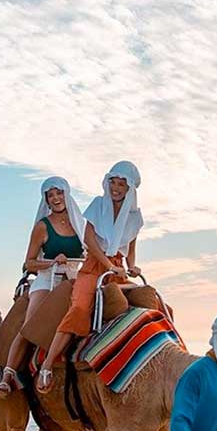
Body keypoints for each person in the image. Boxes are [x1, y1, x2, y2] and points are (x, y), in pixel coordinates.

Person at [35, 160, 143, 393]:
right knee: (79, 309)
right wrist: (108, 265)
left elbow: (130, 249)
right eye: (112, 182)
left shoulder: (135, 218)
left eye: (121, 184)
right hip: (94, 266)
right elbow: (90, 240)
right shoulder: (97, 205)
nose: (115, 188)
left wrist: (132, 267)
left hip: (118, 268)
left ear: (130, 188)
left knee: (149, 300)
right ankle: (47, 365)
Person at [0, 176, 86, 396]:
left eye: (59, 193)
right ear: (46, 199)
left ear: (67, 194)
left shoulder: (80, 223)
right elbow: (29, 262)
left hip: (74, 278)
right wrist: (53, 261)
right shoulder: (42, 226)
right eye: (50, 195)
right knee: (30, 325)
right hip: (47, 278)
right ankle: (7, 377)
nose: (55, 198)